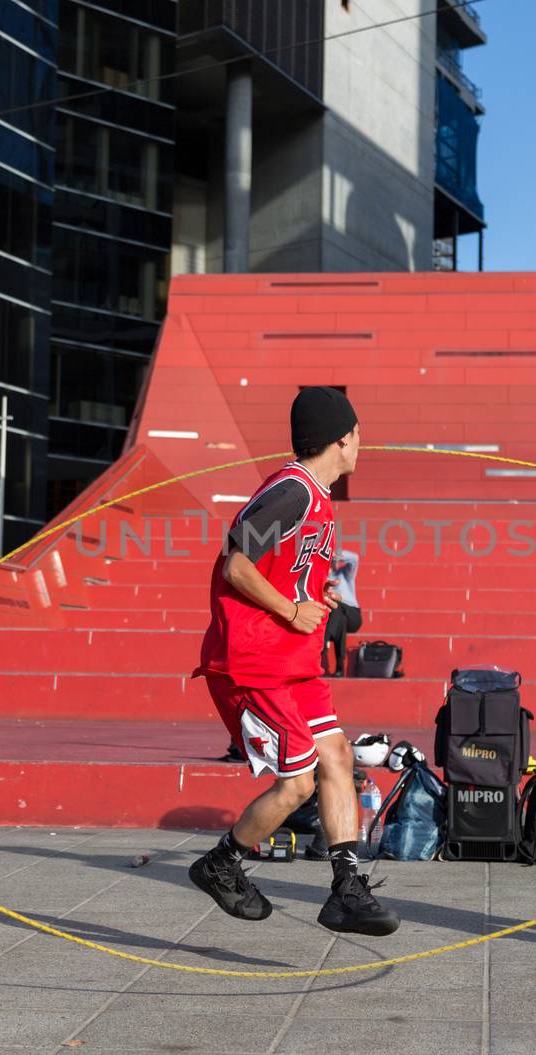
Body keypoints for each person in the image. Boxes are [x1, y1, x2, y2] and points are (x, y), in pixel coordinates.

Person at [189, 387, 399, 936]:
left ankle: (346, 889)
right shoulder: (293, 491)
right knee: (298, 782)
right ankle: (222, 863)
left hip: (293, 661)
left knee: (337, 755)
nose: (361, 444)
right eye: (358, 433)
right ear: (343, 437)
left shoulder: (316, 497)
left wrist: (313, 592)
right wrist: (290, 607)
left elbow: (281, 566)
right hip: (254, 663)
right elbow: (236, 564)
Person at [321, 545, 362, 676]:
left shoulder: (344, 575)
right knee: (339, 618)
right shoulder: (319, 580)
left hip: (353, 615)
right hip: (336, 619)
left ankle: (322, 646)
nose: (330, 565)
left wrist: (333, 554)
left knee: (336, 605)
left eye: (331, 562)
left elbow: (354, 558)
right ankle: (340, 667)